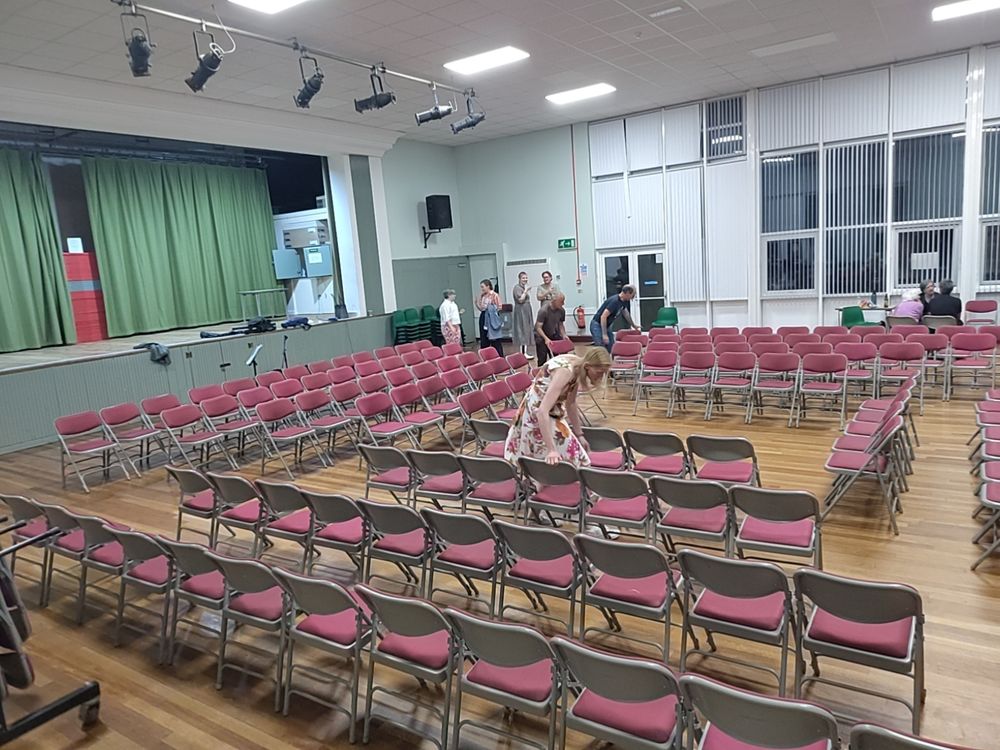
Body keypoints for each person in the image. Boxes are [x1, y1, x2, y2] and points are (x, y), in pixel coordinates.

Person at [504, 347, 612, 468]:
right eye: (599, 372)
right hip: (537, 412)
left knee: (573, 457)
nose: (601, 377)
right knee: (567, 459)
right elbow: (542, 412)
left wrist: (579, 434)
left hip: (549, 410)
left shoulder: (577, 366)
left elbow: (571, 403)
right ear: (588, 366)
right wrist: (551, 449)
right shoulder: (566, 372)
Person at [591, 284, 640, 352]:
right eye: (633, 295)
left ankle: (609, 358)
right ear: (627, 293)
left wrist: (633, 325)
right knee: (601, 347)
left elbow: (626, 314)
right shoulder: (615, 301)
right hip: (597, 325)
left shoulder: (624, 301)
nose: (633, 297)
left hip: (606, 325)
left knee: (611, 345)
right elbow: (603, 316)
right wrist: (604, 334)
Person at [534, 292, 567, 366]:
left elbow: (561, 324)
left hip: (553, 333)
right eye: (561, 302)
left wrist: (564, 335)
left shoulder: (561, 311)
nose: (563, 304)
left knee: (558, 356)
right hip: (541, 336)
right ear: (554, 301)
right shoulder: (543, 310)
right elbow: (538, 327)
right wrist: (546, 338)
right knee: (542, 358)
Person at [474, 279, 503, 356]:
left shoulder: (495, 295)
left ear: (488, 286)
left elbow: (499, 307)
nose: (482, 289)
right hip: (484, 316)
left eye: (483, 287)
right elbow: (482, 308)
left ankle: (499, 356)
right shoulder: (482, 296)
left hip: (492, 317)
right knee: (484, 337)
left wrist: (492, 310)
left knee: (495, 338)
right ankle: (485, 356)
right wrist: (476, 304)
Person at [511, 272, 535, 359]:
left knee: (527, 329)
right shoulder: (517, 288)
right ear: (519, 279)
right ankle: (523, 352)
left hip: (526, 310)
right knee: (522, 329)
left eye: (526, 278)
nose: (525, 279)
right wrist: (526, 291)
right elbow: (520, 300)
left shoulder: (523, 287)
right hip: (521, 311)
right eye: (523, 278)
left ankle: (525, 351)